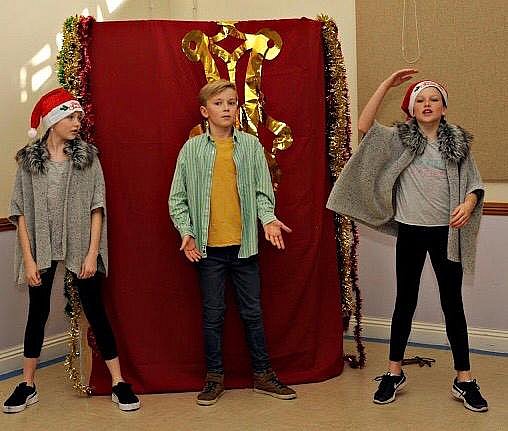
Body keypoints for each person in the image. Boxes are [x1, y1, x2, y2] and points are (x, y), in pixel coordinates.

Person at [327, 69, 488, 412]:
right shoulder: (399, 140)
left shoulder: (458, 144)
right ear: (411, 110)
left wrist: (469, 203)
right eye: (420, 100)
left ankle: (464, 379)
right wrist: (386, 84)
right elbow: (364, 126)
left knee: (453, 305)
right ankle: (393, 372)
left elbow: (474, 184)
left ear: (444, 108)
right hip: (411, 232)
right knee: (405, 302)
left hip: (446, 235)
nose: (427, 104)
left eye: (434, 100)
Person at [3, 88, 140, 413]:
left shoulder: (88, 159)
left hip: (81, 246)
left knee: (95, 311)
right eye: (71, 117)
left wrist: (92, 254)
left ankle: (119, 382)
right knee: (37, 313)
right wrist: (29, 260)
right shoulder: (28, 163)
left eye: (79, 117)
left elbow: (97, 207)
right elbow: (20, 212)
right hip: (41, 247)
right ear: (53, 121)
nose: (78, 122)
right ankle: (27, 384)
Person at [169, 79, 297, 405]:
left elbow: (262, 192)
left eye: (231, 102)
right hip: (208, 250)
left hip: (244, 248)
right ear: (205, 111)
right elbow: (177, 198)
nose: (226, 108)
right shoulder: (191, 150)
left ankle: (263, 375)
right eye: (219, 103)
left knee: (253, 313)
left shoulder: (251, 146)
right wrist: (186, 232)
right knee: (213, 316)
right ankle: (214, 378)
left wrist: (268, 219)